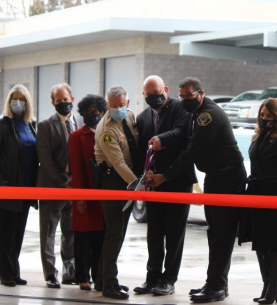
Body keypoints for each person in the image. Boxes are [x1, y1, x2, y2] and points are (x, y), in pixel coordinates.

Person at [148, 77, 246, 303]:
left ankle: (216, 285)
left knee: (222, 234)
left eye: (189, 96)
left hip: (227, 178)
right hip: (215, 176)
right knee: (216, 233)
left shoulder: (207, 116)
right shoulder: (195, 114)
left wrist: (166, 176)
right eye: (181, 97)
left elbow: (192, 152)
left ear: (201, 93)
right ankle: (217, 283)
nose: (184, 101)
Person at [134, 76, 196, 296]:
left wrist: (161, 138)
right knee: (154, 232)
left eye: (158, 92)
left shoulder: (181, 109)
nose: (154, 98)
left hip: (178, 181)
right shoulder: (142, 118)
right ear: (144, 96)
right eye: (149, 95)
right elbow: (142, 150)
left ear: (166, 89)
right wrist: (145, 173)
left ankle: (168, 280)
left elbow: (181, 134)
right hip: (153, 184)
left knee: (174, 232)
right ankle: (152, 278)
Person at [0, 84, 38, 287]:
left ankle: (13, 271)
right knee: (4, 234)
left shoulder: (30, 125)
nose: (18, 102)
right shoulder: (1, 124)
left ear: (27, 103)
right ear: (8, 101)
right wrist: (0, 183)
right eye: (14, 98)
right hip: (4, 190)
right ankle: (5, 274)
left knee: (16, 234)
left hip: (24, 190)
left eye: (22, 99)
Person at [245, 98, 277, 304]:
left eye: (269, 115)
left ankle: (273, 286)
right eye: (263, 115)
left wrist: (275, 198)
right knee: (260, 244)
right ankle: (268, 285)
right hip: (257, 194)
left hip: (276, 196)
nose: (265, 119)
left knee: (275, 244)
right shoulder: (259, 136)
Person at [94, 85, 142, 300]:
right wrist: (138, 185)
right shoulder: (106, 130)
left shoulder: (129, 117)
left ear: (127, 104)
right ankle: (109, 284)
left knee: (118, 234)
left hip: (127, 183)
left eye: (121, 105)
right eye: (113, 106)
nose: (117, 109)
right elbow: (119, 163)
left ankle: (103, 278)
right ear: (107, 105)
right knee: (114, 234)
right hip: (113, 183)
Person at [37, 83, 83, 288]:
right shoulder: (45, 125)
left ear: (72, 100)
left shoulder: (81, 122)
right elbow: (45, 159)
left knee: (71, 232)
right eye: (59, 100)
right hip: (53, 186)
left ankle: (70, 272)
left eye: (66, 100)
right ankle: (50, 274)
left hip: (76, 191)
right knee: (48, 232)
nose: (63, 103)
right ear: (53, 103)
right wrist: (65, 181)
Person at [68, 94, 107, 291]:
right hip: (84, 192)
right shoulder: (76, 137)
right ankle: (82, 276)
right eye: (86, 113)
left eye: (95, 112)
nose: (91, 116)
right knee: (83, 238)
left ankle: (99, 276)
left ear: (102, 112)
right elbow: (76, 168)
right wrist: (80, 195)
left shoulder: (108, 132)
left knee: (100, 237)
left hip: (105, 195)